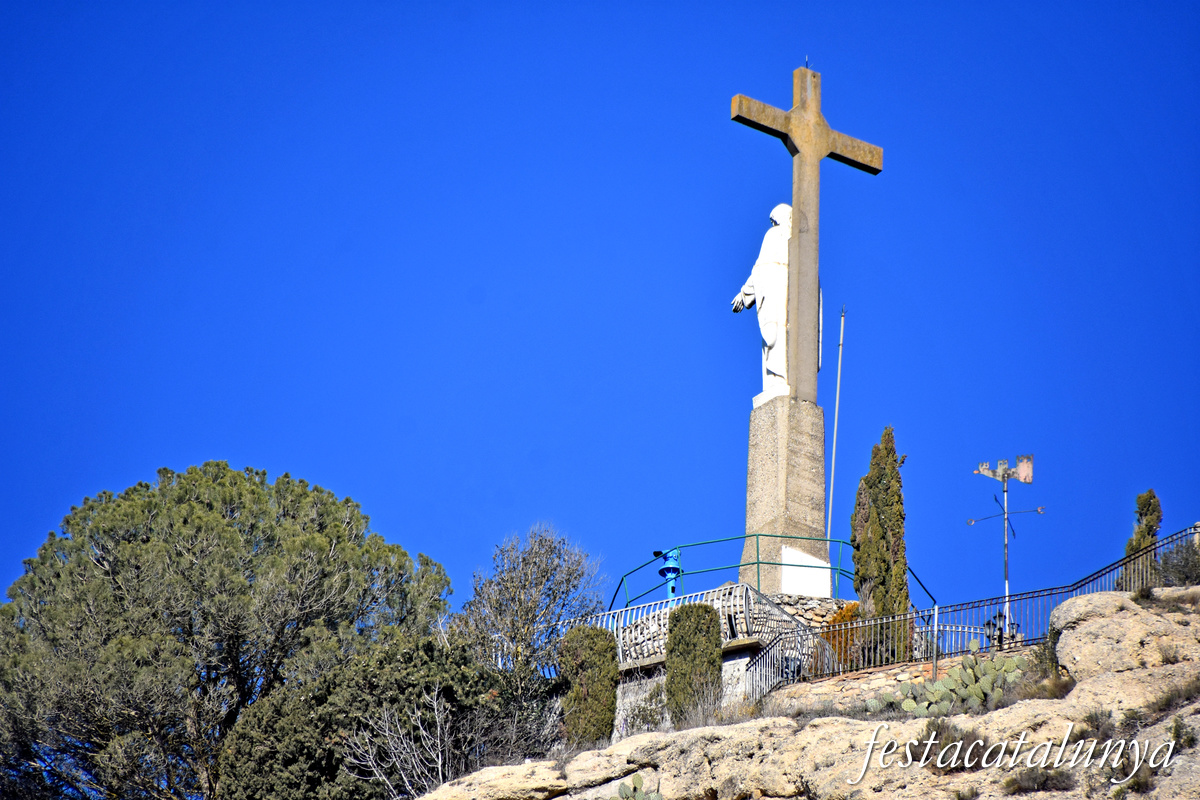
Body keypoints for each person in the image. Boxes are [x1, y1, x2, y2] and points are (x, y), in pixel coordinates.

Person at [732, 203, 791, 400]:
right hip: (788, 301)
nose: (773, 224)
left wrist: (744, 293)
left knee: (775, 342)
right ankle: (784, 380)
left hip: (776, 301)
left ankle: (777, 380)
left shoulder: (774, 235)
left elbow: (761, 267)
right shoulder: (803, 243)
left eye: (774, 221)